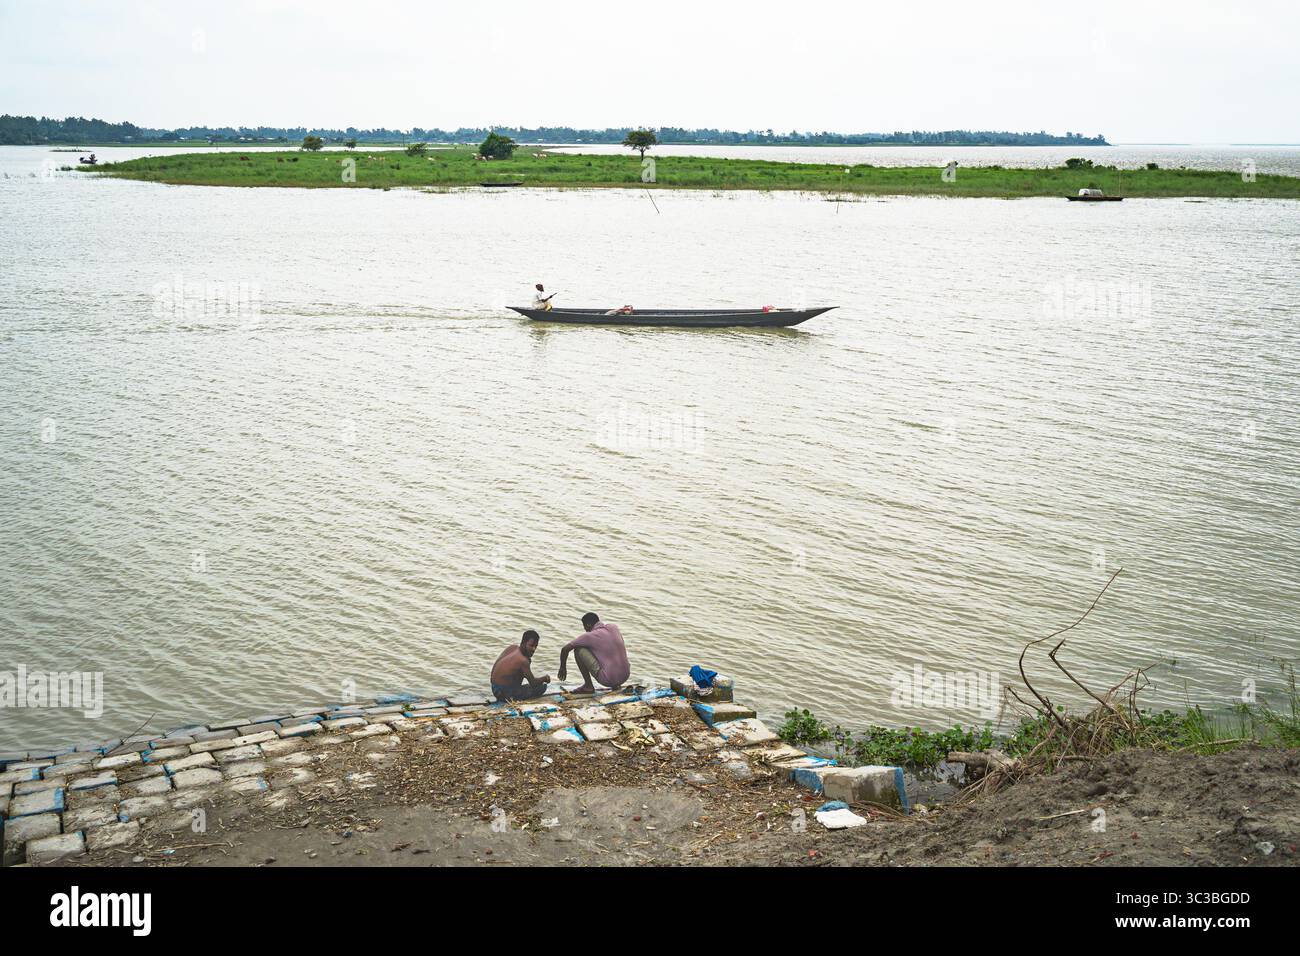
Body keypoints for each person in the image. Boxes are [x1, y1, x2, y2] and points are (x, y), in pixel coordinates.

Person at [558, 612, 630, 694]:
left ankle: (588, 686)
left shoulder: (589, 636)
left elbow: (565, 649)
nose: (585, 629)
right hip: (625, 676)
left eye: (584, 626)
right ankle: (616, 685)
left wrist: (562, 667)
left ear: (588, 625)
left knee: (578, 650)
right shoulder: (614, 627)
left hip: (608, 680)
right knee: (609, 649)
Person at [490, 630, 551, 702]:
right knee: (542, 687)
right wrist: (545, 678)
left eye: (536, 646)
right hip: (503, 693)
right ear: (523, 643)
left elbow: (495, 668)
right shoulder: (523, 660)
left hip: (494, 687)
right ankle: (512, 696)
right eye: (531, 646)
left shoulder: (512, 648)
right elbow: (533, 683)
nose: (533, 649)